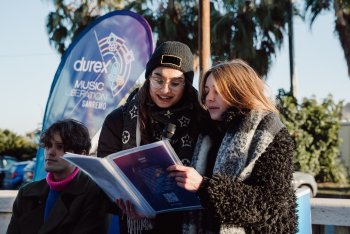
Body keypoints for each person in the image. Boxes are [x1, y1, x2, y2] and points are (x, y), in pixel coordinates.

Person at [167, 59, 298, 233]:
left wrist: (204, 186)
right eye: (206, 91)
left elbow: (271, 206)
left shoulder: (271, 133)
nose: (209, 98)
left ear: (240, 92)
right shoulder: (206, 132)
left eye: (218, 91)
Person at [97, 41, 210, 234]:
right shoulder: (118, 120)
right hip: (135, 227)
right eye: (158, 80)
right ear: (149, 77)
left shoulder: (204, 120)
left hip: (189, 226)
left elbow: (217, 180)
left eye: (175, 83)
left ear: (187, 84)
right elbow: (106, 181)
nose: (165, 90)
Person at [7, 119, 109, 234]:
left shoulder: (93, 193)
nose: (50, 152)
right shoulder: (26, 193)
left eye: (60, 147)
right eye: (48, 145)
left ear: (82, 154)